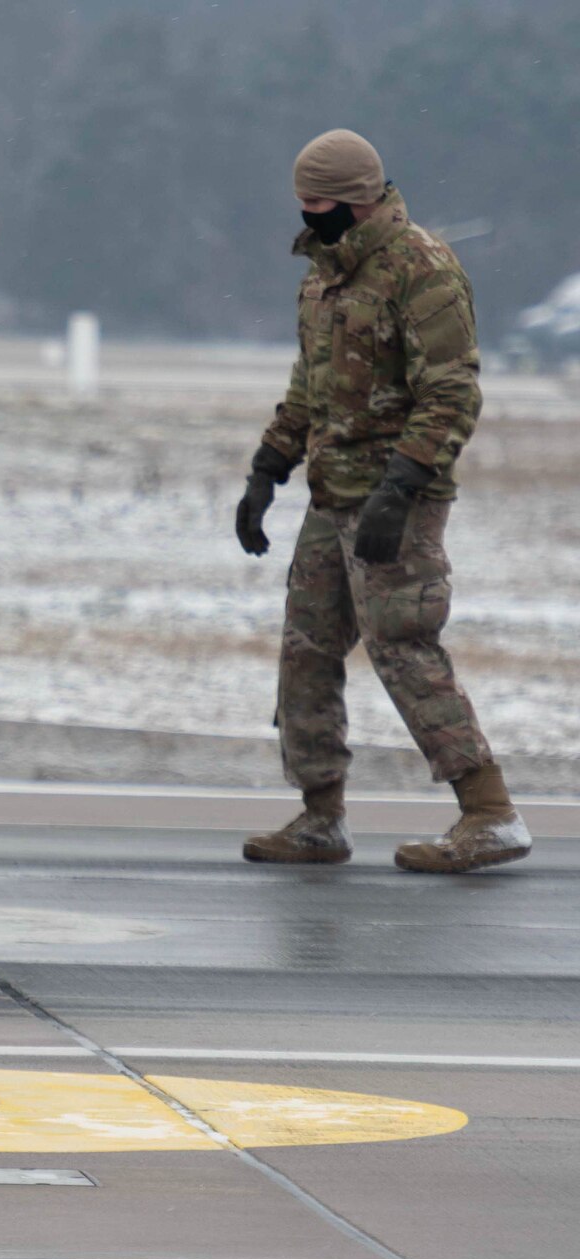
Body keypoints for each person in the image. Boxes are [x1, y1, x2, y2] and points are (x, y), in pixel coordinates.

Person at [235, 129, 530, 873]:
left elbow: (453, 391)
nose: (309, 218)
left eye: (320, 205)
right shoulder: (324, 275)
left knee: (403, 647)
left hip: (398, 498)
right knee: (305, 651)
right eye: (302, 204)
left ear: (359, 201)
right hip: (330, 495)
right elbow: (311, 384)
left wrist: (402, 487)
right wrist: (268, 466)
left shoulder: (421, 270)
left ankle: (489, 812)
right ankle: (320, 814)